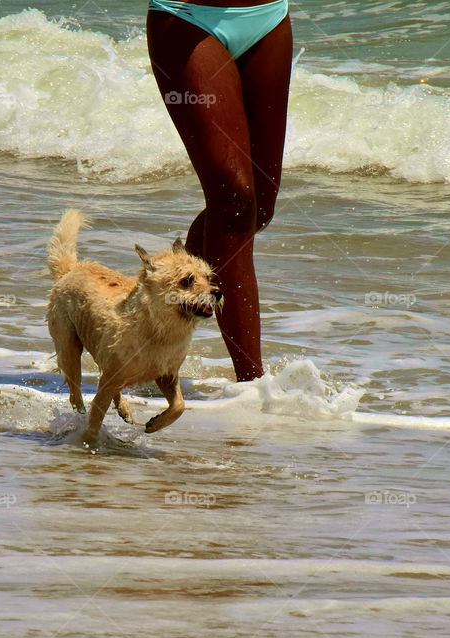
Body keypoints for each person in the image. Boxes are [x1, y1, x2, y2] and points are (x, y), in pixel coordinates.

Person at [147, 0, 292, 382]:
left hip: (269, 16)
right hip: (187, 19)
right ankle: (253, 385)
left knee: (258, 207)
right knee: (233, 200)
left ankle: (158, 300)